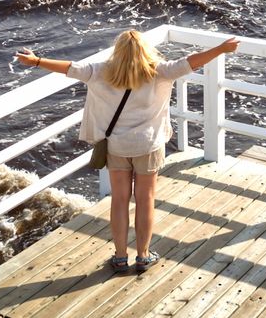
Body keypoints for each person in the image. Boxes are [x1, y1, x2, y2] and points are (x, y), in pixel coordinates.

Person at [15, 31, 238, 273]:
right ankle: (143, 256)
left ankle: (120, 257)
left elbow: (70, 68)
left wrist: (36, 61)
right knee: (145, 200)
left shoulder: (100, 71)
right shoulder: (160, 72)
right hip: (148, 146)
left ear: (117, 51)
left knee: (120, 200)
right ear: (144, 50)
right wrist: (221, 49)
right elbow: (191, 61)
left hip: (115, 147)